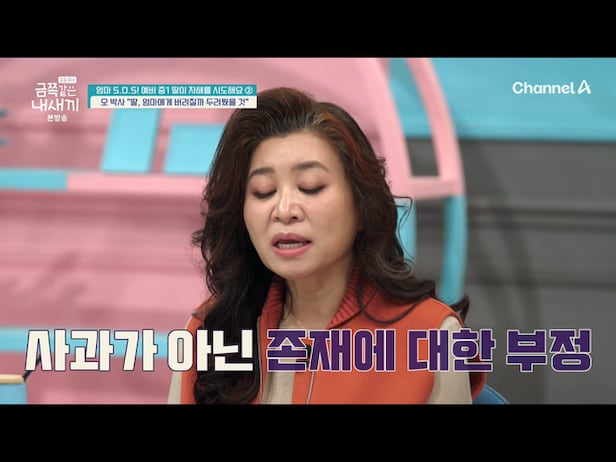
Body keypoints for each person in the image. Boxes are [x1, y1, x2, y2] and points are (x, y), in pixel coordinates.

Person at [167, 86, 487, 404]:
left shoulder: (433, 337)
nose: (284, 210)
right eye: (264, 191)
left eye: (311, 187)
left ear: (361, 205)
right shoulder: (210, 329)